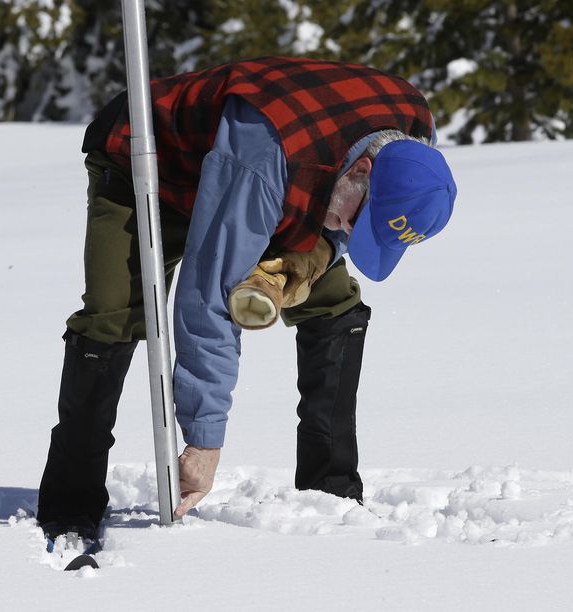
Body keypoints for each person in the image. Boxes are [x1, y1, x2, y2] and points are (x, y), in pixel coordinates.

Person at [37, 56, 457, 540]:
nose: (345, 232)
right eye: (353, 222)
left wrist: (311, 259)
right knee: (115, 314)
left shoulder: (411, 140)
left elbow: (343, 218)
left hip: (276, 173)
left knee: (336, 303)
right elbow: (207, 296)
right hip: (145, 165)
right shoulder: (267, 156)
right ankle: (71, 502)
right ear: (362, 167)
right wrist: (204, 442)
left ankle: (331, 490)